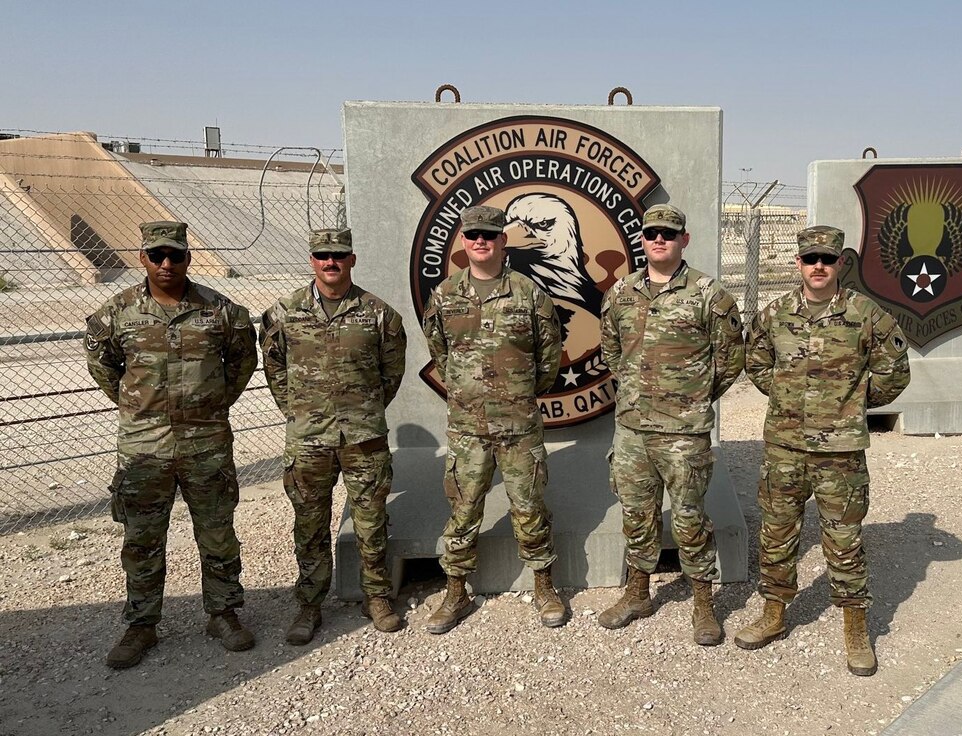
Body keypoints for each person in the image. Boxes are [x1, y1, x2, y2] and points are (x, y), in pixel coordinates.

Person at [734, 224, 910, 676]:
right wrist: (784, 395)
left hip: (840, 451)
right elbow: (755, 360)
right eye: (810, 258)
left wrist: (851, 403)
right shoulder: (776, 314)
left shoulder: (866, 314)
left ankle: (855, 627)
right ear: (798, 263)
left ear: (840, 264)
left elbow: (894, 371)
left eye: (827, 259)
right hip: (784, 447)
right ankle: (774, 614)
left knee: (844, 538)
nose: (818, 266)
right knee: (777, 533)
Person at [85, 221, 258, 669]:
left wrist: (212, 404)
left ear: (187, 257)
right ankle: (142, 624)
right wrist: (141, 408)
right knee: (142, 538)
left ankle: (223, 613)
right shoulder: (117, 312)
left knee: (217, 532)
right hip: (145, 448)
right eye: (157, 255)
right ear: (142, 257)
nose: (166, 264)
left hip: (206, 443)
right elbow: (104, 366)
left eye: (175, 255)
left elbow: (242, 361)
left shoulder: (220, 311)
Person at [597, 203, 745, 646]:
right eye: (651, 233)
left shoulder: (708, 294)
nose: (659, 239)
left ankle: (703, 602)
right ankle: (638, 593)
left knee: (688, 518)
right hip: (632, 431)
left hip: (684, 433)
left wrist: (692, 398)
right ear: (642, 239)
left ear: (684, 239)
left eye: (668, 232)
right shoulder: (621, 293)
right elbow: (611, 353)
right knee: (636, 514)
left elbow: (729, 359)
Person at [422, 205, 567, 634]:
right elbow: (441, 354)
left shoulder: (529, 294)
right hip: (468, 428)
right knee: (463, 510)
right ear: (463, 242)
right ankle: (456, 592)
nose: (481, 241)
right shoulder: (445, 296)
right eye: (473, 235)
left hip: (519, 426)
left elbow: (548, 358)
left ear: (503, 241)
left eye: (490, 234)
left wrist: (516, 394)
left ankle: (544, 586)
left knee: (529, 506)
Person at [260, 228, 407, 644]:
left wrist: (363, 409)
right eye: (322, 255)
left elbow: (390, 374)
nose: (330, 263)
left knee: (372, 520)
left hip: (364, 438)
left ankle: (376, 597)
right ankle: (309, 605)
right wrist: (298, 410)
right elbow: (274, 370)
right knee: (309, 524)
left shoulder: (380, 314)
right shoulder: (284, 313)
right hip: (308, 440)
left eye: (338, 256)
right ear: (312, 260)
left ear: (352, 260)